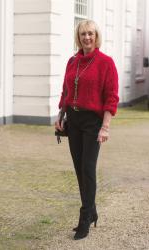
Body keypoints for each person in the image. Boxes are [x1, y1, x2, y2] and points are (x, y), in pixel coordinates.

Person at [55, 19, 119, 240]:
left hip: (93, 123)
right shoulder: (72, 61)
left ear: (96, 36)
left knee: (88, 169)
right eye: (83, 34)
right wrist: (60, 115)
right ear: (78, 37)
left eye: (90, 33)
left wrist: (105, 127)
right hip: (73, 120)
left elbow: (111, 98)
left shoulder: (106, 63)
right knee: (79, 170)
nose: (87, 38)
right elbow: (65, 91)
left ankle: (84, 217)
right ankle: (91, 211)